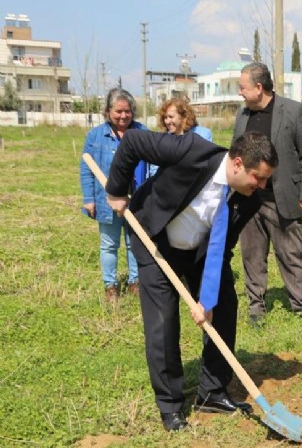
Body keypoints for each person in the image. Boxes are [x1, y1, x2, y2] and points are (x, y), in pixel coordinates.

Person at [104, 130, 278, 432]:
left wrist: (207, 300)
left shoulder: (249, 199)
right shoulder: (190, 150)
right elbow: (132, 143)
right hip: (154, 237)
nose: (262, 186)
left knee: (224, 304)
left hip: (198, 250)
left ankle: (212, 392)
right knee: (163, 320)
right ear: (237, 164)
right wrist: (116, 190)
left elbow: (221, 248)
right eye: (257, 177)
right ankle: (170, 404)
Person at [233, 62, 302, 325]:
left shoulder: (293, 111)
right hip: (249, 199)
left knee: (292, 254)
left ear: (259, 88)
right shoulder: (242, 115)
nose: (240, 93)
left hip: (281, 197)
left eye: (243, 87)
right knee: (252, 255)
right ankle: (256, 308)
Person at [80, 87, 148, 303]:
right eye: (118, 111)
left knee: (134, 244)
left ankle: (134, 282)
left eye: (127, 111)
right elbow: (86, 169)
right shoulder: (96, 135)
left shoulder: (142, 132)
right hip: (106, 201)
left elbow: (153, 164)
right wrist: (89, 199)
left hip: (136, 201)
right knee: (109, 244)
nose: (123, 116)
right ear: (108, 111)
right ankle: (110, 286)